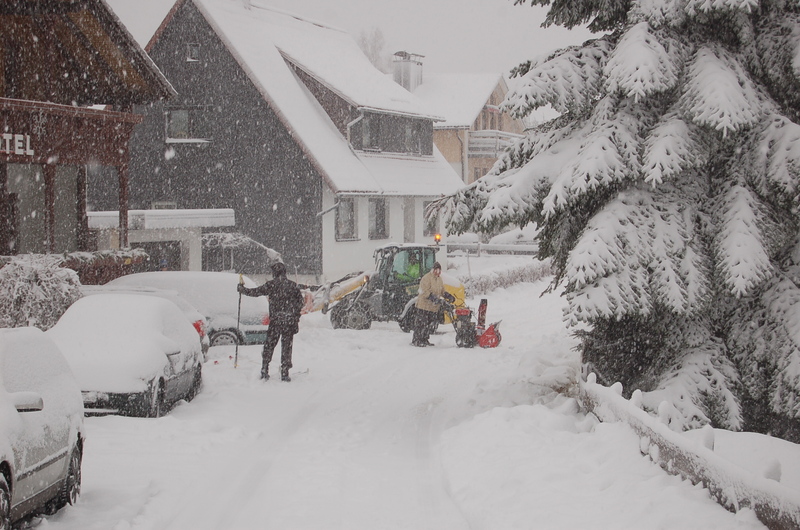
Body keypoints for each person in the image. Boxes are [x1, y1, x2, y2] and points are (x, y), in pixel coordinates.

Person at [238, 262, 304, 381]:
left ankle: (264, 368)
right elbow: (300, 303)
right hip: (288, 321)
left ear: (275, 273)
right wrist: (294, 316)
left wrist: (242, 290)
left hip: (276, 321)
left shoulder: (272, 285)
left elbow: (255, 292)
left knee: (269, 345)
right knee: (287, 347)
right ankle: (285, 371)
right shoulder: (293, 286)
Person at [412, 261, 453, 347]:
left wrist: (447, 295)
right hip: (424, 305)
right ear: (433, 270)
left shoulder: (439, 279)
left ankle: (425, 339)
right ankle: (417, 340)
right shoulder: (426, 278)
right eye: (436, 270)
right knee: (421, 323)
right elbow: (424, 291)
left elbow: (441, 291)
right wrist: (433, 298)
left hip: (433, 307)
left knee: (429, 324)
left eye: (439, 271)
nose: (438, 272)